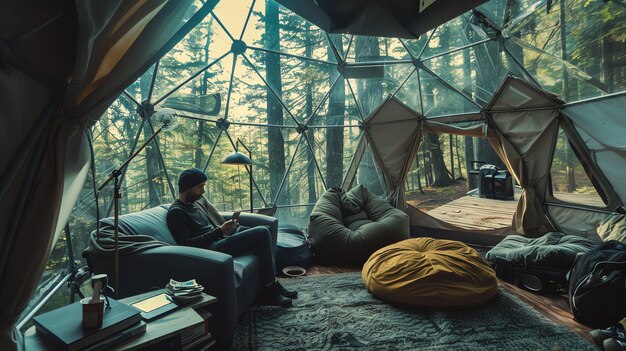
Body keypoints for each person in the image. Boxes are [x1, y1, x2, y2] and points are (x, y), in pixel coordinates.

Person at [166, 168, 296, 307]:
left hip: (218, 240)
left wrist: (228, 229)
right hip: (211, 250)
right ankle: (270, 290)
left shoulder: (195, 204)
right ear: (188, 187)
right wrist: (219, 232)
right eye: (200, 187)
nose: (203, 191)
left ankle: (272, 284)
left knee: (260, 233)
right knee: (261, 232)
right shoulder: (176, 212)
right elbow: (186, 244)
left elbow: (210, 228)